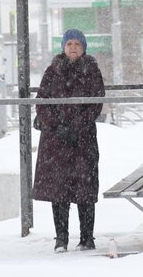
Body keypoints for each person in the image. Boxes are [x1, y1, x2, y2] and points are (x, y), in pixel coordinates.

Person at [32, 29, 106, 252]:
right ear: (63, 47)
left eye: (77, 44)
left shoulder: (91, 70)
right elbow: (42, 102)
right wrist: (56, 126)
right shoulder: (52, 71)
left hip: (83, 141)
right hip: (56, 142)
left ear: (84, 47)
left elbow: (95, 102)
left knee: (85, 189)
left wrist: (76, 126)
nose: (73, 47)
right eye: (69, 44)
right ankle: (61, 238)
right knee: (59, 190)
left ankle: (87, 237)